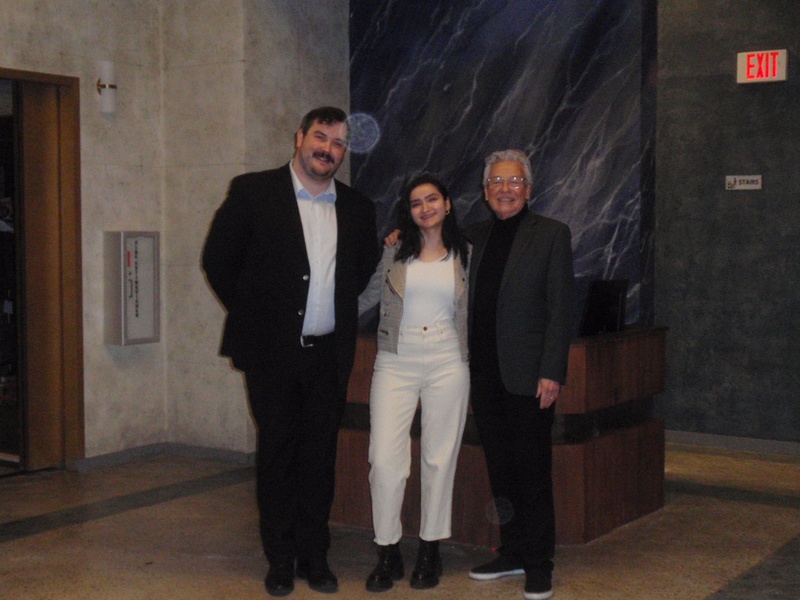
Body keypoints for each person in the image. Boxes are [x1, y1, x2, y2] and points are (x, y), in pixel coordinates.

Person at [202, 106, 379, 597]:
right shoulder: (253, 192)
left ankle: (314, 557)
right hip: (272, 355)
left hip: (328, 355)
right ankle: (280, 559)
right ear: (300, 137)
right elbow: (218, 260)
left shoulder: (358, 207)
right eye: (321, 137)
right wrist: (258, 316)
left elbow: (360, 270)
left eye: (339, 143)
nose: (328, 149)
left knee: (319, 457)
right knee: (277, 454)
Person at [466, 150, 575, 600]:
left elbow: (561, 308)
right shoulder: (474, 236)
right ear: (485, 190)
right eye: (496, 182)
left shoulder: (551, 234)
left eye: (514, 182)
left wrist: (552, 371)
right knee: (501, 469)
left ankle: (538, 563)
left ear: (528, 189)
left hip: (529, 376)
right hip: (484, 374)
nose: (505, 189)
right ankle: (510, 551)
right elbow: (426, 236)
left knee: (532, 471)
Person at [358, 175, 471, 592]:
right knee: (384, 461)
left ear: (448, 204)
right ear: (408, 211)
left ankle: (429, 551)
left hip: (447, 360)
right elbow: (367, 298)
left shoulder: (467, 255)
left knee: (439, 459)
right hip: (396, 358)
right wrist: (319, 319)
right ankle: (387, 553)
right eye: (416, 203)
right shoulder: (394, 252)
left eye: (432, 200)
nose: (425, 208)